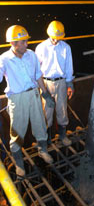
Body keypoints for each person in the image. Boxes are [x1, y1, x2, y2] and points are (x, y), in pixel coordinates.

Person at [0, 25, 54, 177]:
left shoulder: (31, 54)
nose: (26, 44)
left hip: (34, 94)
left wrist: (45, 93)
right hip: (17, 98)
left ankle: (42, 150)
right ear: (13, 43)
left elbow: (38, 75)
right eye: (23, 42)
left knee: (40, 124)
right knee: (17, 130)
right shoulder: (4, 59)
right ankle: (19, 162)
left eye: (26, 41)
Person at [35, 20, 74, 146]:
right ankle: (47, 139)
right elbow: (36, 69)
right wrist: (39, 86)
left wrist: (69, 84)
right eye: (54, 38)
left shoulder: (66, 47)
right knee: (46, 112)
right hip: (45, 83)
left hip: (61, 82)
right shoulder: (41, 47)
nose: (56, 40)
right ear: (49, 34)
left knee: (62, 110)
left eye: (58, 38)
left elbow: (69, 67)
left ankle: (63, 135)